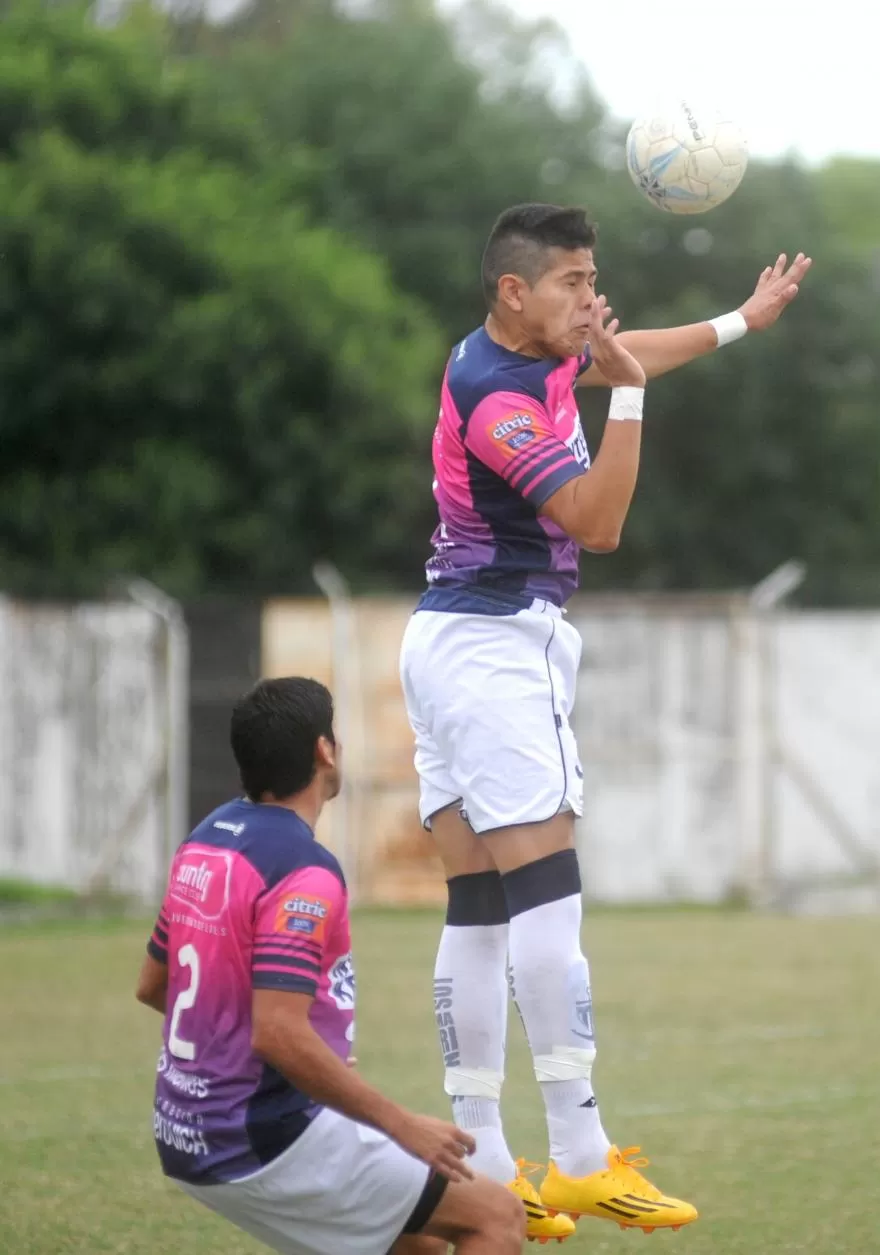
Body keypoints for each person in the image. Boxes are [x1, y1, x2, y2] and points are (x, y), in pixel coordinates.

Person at [399, 203, 812, 1241]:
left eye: (593, 281)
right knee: (546, 898)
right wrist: (624, 401)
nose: (592, 299)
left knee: (481, 906)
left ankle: (487, 1159)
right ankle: (579, 1155)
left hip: (449, 642)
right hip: (497, 649)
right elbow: (599, 520)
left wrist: (740, 322)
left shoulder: (516, 354)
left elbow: (626, 353)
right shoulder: (500, 399)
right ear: (514, 291)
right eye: (575, 282)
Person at [135, 676, 526, 1255]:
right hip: (261, 1134)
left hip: (181, 1127)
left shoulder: (207, 838)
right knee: (496, 1217)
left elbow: (153, 985)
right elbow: (277, 1032)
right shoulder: (304, 870)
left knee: (413, 1243)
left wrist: (288, 1047)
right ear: (324, 750)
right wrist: (401, 1122)